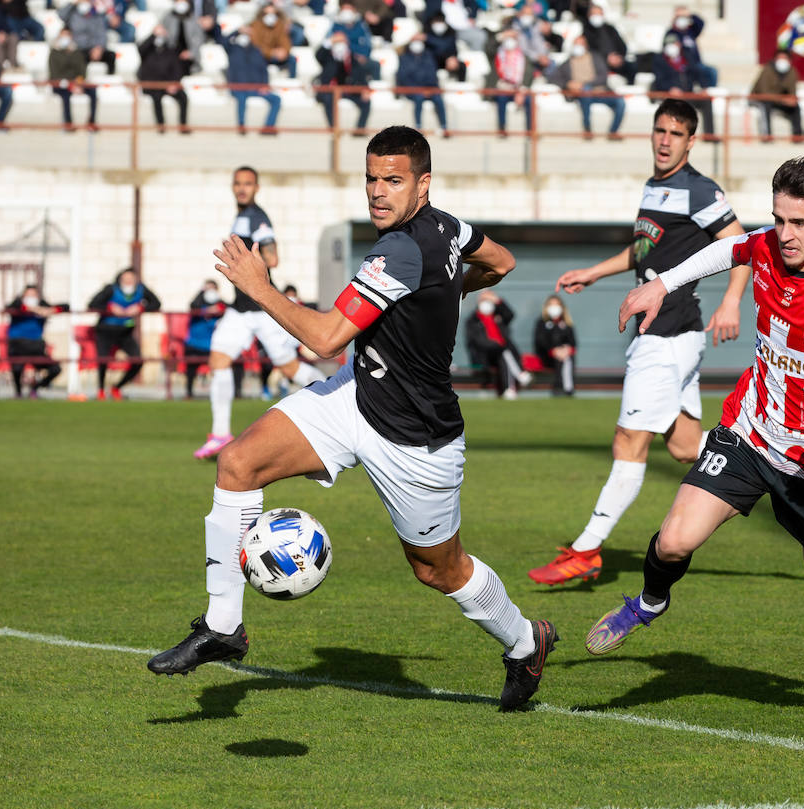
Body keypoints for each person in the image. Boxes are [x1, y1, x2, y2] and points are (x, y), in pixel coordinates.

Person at [148, 126, 558, 714]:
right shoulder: (448, 227)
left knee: (440, 570)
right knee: (237, 464)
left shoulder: (401, 250)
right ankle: (222, 626)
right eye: (371, 178)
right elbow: (501, 260)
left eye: (393, 180)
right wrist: (444, 291)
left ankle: (525, 642)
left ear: (423, 183)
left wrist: (258, 285)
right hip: (357, 395)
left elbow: (322, 337)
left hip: (417, 439)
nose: (378, 192)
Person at [588, 154, 804, 723]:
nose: (783, 235)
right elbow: (726, 250)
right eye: (778, 218)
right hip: (748, 432)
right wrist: (660, 283)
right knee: (672, 542)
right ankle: (647, 603)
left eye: (800, 223)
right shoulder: (766, 245)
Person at [527, 100, 749, 586]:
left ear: (692, 142)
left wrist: (731, 301)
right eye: (660, 130)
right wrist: (595, 270)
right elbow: (645, 248)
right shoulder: (656, 187)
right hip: (675, 335)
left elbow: (742, 245)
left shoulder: (699, 190)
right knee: (687, 447)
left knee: (628, 441)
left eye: (676, 133)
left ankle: (586, 550)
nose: (665, 139)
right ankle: (762, 458)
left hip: (666, 334)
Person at [194, 166, 326, 460]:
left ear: (257, 187)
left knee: (290, 369)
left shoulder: (257, 217)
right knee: (219, 359)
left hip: (262, 307)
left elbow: (272, 257)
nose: (242, 189)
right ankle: (219, 435)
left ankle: (334, 403)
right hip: (241, 308)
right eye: (238, 184)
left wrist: (260, 258)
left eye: (248, 184)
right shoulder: (241, 215)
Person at [87, 266, 160, 400]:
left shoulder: (141, 290)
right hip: (106, 330)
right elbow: (92, 304)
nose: (128, 281)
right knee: (103, 360)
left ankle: (116, 387)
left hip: (125, 332)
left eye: (131, 279)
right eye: (125, 279)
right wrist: (110, 308)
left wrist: (140, 307)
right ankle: (101, 391)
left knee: (138, 360)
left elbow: (156, 303)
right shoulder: (111, 289)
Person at [549, 34, 624, 140]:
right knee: (585, 92)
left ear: (586, 46)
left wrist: (585, 84)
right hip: (582, 94)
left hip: (600, 92)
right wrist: (568, 84)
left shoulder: (596, 58)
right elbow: (554, 78)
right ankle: (587, 129)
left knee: (620, 101)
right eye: (576, 44)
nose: (578, 47)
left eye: (580, 44)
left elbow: (603, 76)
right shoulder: (566, 63)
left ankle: (613, 132)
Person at [464, 289, 530, 399]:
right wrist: (498, 346)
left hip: (502, 354)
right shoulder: (473, 320)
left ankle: (509, 390)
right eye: (484, 300)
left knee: (504, 356)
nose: (486, 303)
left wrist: (497, 300)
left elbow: (510, 315)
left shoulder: (498, 316)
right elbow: (479, 342)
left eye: (489, 300)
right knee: (504, 352)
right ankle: (520, 375)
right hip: (485, 356)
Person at [4, 284, 64, 398]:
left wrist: (50, 310)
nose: (31, 297)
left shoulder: (42, 304)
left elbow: (65, 306)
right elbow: (11, 307)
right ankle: (18, 393)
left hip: (35, 347)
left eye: (34, 295)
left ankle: (35, 388)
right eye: (28, 294)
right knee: (17, 368)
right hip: (18, 345)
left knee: (56, 369)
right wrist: (34, 309)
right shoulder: (18, 304)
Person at [315, 30, 378, 136]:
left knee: (366, 102)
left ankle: (359, 129)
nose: (340, 45)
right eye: (337, 42)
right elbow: (318, 55)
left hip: (348, 89)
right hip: (331, 90)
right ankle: (334, 129)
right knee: (328, 100)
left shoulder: (353, 58)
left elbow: (360, 75)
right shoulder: (327, 57)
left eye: (342, 42)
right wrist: (331, 41)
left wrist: (365, 89)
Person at [222, 24, 280, 135]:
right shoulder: (233, 49)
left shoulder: (258, 50)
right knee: (241, 98)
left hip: (255, 88)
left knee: (276, 99)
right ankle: (242, 126)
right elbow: (223, 41)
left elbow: (264, 70)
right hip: (238, 87)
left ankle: (268, 127)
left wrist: (265, 85)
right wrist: (238, 31)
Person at [651, 35, 714, 138]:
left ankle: (709, 135)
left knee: (706, 100)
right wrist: (670, 88)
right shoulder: (659, 60)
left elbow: (697, 73)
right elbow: (659, 81)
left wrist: (704, 87)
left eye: (673, 43)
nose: (671, 46)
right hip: (670, 96)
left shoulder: (686, 57)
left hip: (687, 94)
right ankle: (676, 136)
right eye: (668, 44)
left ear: (679, 44)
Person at [138, 25, 191, 134]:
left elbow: (177, 69)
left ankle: (183, 125)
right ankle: (161, 125)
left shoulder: (171, 50)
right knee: (156, 97)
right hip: (152, 84)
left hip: (167, 84)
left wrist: (174, 84)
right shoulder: (147, 50)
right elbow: (141, 48)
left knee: (183, 97)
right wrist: (153, 35)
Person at [397, 33, 449, 138]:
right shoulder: (404, 57)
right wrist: (418, 90)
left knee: (439, 99)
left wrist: (427, 38)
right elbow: (403, 78)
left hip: (429, 88)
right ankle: (418, 127)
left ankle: (444, 127)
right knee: (418, 98)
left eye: (419, 42)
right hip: (413, 90)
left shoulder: (429, 55)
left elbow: (432, 74)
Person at [486, 28, 535, 137]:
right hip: (501, 87)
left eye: (512, 38)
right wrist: (502, 35)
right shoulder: (497, 55)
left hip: (518, 89)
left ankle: (530, 131)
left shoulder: (523, 57)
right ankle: (502, 129)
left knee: (530, 100)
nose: (510, 41)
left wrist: (521, 91)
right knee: (501, 99)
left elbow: (529, 75)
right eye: (507, 38)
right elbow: (488, 47)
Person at [49, 27, 97, 132]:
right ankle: (68, 123)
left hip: (76, 83)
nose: (65, 38)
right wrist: (70, 85)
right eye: (63, 35)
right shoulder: (54, 53)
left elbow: (82, 72)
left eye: (67, 35)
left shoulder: (77, 53)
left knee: (93, 90)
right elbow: (54, 74)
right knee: (66, 95)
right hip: (60, 85)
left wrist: (78, 84)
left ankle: (92, 121)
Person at [184, 279, 225, 399]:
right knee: (191, 366)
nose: (209, 292)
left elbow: (228, 306)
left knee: (231, 364)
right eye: (207, 289)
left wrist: (218, 307)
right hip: (195, 345)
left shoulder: (220, 306)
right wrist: (202, 293)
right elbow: (193, 306)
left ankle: (233, 393)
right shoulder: (198, 305)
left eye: (212, 289)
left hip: (214, 346)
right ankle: (189, 393)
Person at [750, 49, 801, 140]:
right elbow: (764, 93)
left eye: (784, 58)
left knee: (796, 107)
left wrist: (792, 100)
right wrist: (782, 99)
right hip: (759, 99)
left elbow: (792, 91)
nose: (782, 61)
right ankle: (767, 136)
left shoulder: (792, 71)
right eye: (779, 58)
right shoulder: (767, 70)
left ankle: (797, 136)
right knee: (765, 106)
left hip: (778, 101)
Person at [533, 294, 575, 397]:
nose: (554, 307)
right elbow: (540, 341)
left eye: (557, 304)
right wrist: (553, 351)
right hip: (546, 357)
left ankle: (568, 389)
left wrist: (567, 350)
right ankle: (559, 387)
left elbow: (573, 342)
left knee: (566, 359)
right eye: (551, 304)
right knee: (560, 359)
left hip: (564, 355)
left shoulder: (566, 323)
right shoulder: (541, 323)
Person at [58, 0, 116, 75]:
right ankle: (81, 81)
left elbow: (102, 34)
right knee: (78, 58)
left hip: (96, 49)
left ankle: (110, 80)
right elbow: (61, 15)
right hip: (80, 49)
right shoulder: (73, 15)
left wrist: (99, 48)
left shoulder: (97, 15)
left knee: (111, 55)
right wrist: (74, 3)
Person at [665, 5, 715, 89]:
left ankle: (708, 93)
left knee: (711, 71)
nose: (682, 19)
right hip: (684, 64)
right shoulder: (672, 32)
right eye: (679, 17)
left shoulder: (690, 31)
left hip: (696, 63)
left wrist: (690, 15)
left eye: (684, 17)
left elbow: (701, 23)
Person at [583, 4, 634, 85]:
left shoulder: (610, 29)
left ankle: (629, 91)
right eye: (594, 14)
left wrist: (618, 57)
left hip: (616, 60)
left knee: (631, 66)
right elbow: (590, 50)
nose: (597, 17)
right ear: (589, 15)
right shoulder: (586, 31)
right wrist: (607, 58)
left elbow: (622, 46)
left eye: (599, 14)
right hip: (599, 62)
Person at [250, 3, 295, 78]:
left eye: (273, 13)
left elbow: (285, 41)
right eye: (267, 14)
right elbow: (256, 45)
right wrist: (271, 52)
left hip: (276, 55)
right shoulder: (255, 25)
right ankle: (262, 83)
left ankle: (292, 82)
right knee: (257, 59)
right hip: (262, 55)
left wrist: (284, 51)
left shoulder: (279, 25)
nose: (270, 16)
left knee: (292, 60)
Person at [423, 12, 464, 83]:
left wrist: (452, 57)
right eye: (436, 21)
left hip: (447, 60)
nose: (438, 24)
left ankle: (460, 87)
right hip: (432, 60)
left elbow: (447, 46)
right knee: (428, 65)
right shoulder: (427, 31)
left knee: (461, 65)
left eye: (440, 21)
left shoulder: (451, 32)